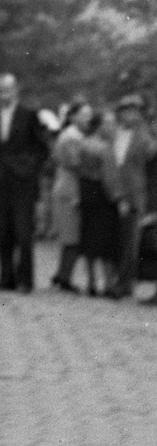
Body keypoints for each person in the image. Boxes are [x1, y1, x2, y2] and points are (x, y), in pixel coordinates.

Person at [0, 73, 49, 292]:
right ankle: (6, 278)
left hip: (23, 183)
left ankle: (25, 280)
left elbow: (42, 149)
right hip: (1, 182)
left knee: (23, 232)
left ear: (16, 90)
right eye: (0, 90)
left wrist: (28, 168)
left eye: (8, 89)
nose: (4, 94)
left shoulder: (29, 115)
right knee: (3, 232)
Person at [102, 95, 152, 300]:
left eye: (134, 111)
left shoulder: (142, 135)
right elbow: (110, 167)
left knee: (130, 243)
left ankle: (124, 284)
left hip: (134, 196)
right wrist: (116, 195)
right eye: (125, 111)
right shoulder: (114, 135)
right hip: (114, 194)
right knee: (117, 241)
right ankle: (120, 282)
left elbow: (148, 153)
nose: (130, 115)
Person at [49, 102, 91, 292]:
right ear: (73, 116)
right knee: (72, 235)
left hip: (66, 185)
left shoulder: (71, 135)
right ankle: (64, 277)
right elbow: (75, 163)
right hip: (70, 188)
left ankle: (62, 273)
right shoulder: (73, 137)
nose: (87, 118)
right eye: (83, 114)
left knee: (70, 235)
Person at [79, 110, 120, 296]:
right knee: (106, 242)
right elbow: (109, 178)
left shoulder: (84, 144)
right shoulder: (105, 148)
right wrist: (117, 198)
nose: (112, 127)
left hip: (87, 195)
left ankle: (91, 281)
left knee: (89, 239)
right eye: (109, 123)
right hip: (103, 198)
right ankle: (109, 284)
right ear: (100, 125)